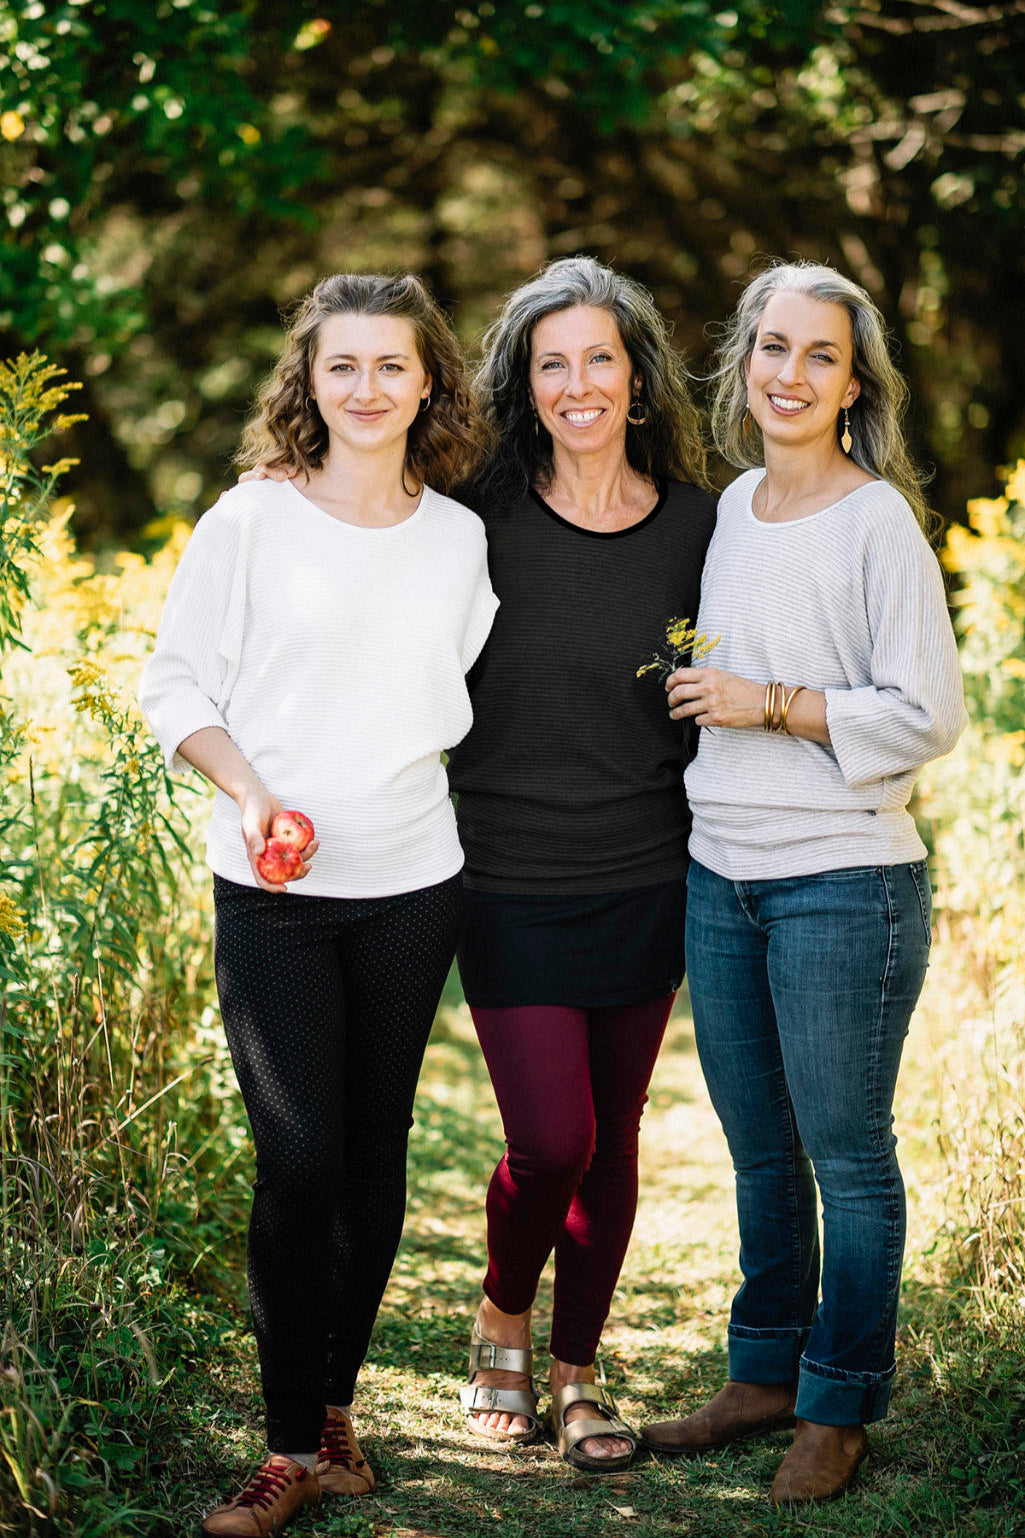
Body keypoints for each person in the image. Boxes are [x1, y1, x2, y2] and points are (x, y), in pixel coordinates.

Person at [140, 273, 497, 1537]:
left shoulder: (457, 539)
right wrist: (247, 793)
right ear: (308, 381)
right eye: (340, 366)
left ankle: (332, 1419)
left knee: (370, 1155)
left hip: (414, 880)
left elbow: (450, 692)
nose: (365, 388)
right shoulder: (251, 519)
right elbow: (173, 680)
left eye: (391, 365)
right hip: (276, 886)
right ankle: (286, 1445)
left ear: (428, 381)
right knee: (297, 1156)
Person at [639, 261, 966, 1504]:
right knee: (757, 1150)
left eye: (817, 354)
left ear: (851, 382)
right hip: (719, 872)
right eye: (770, 346)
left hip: (841, 883)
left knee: (845, 1153)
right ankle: (761, 1371)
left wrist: (766, 705)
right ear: (742, 362)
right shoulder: (727, 511)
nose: (788, 372)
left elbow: (927, 713)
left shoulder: (875, 519)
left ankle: (835, 1404)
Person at [446, 257, 717, 1471]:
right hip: (503, 870)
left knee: (611, 1139)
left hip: (647, 869)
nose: (576, 384)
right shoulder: (471, 520)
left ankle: (573, 1373)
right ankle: (502, 1304)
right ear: (525, 384)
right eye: (550, 364)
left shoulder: (697, 528)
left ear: (637, 375)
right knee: (548, 1135)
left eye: (597, 358)